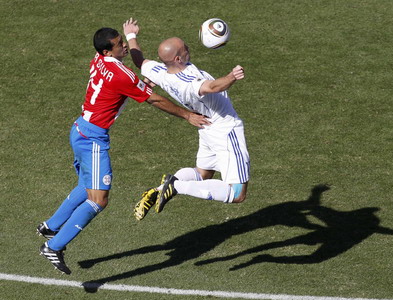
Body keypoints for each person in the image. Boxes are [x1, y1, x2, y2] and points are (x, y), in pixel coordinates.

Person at [36, 26, 210, 275]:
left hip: (80, 129)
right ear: (108, 50)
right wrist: (187, 115)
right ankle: (53, 246)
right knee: (99, 199)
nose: (124, 46)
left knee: (87, 185)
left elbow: (127, 84)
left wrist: (138, 65)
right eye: (119, 44)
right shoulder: (121, 74)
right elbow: (153, 99)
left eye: (122, 41)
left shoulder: (99, 60)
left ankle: (50, 226)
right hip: (92, 140)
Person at [123, 18, 250, 220]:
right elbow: (213, 87)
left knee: (203, 173)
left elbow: (139, 61)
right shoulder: (189, 83)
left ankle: (157, 190)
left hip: (205, 127)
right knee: (237, 193)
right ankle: (176, 185)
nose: (189, 48)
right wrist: (232, 76)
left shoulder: (160, 71)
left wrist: (131, 35)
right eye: (184, 49)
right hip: (225, 129)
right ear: (178, 60)